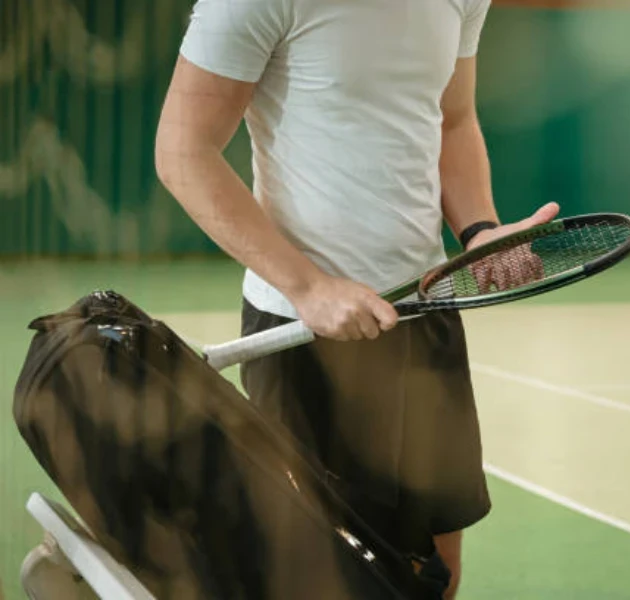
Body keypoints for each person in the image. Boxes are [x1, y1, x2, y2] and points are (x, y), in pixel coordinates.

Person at [155, 0, 559, 597]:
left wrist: (479, 230)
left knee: (436, 565)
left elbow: (452, 119)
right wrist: (309, 287)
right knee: (321, 577)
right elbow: (182, 151)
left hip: (426, 312)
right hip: (304, 332)